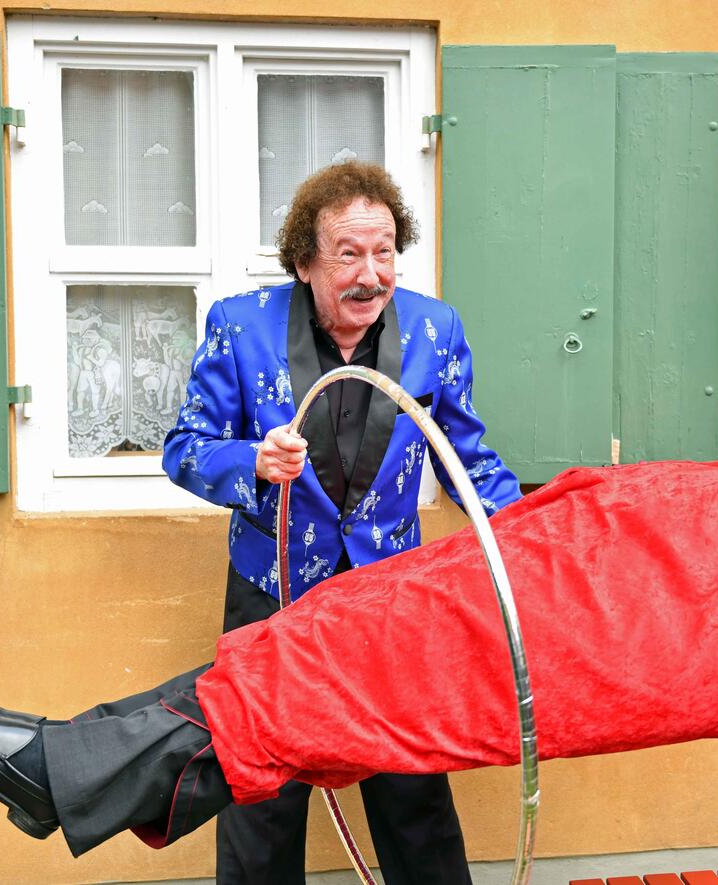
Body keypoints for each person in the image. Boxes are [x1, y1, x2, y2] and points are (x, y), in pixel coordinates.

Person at [0, 432, 718, 868]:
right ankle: (69, 771)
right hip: (517, 588)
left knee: (325, 673)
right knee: (305, 649)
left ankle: (58, 774)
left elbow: (693, 631)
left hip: (547, 638)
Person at [159, 161, 521, 884]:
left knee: (412, 789)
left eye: (384, 251)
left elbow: (466, 461)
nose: (370, 273)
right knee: (261, 790)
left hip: (391, 598)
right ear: (304, 261)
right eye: (349, 253)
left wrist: (527, 538)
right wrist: (252, 460)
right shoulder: (240, 326)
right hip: (274, 595)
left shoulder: (434, 328)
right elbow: (184, 450)